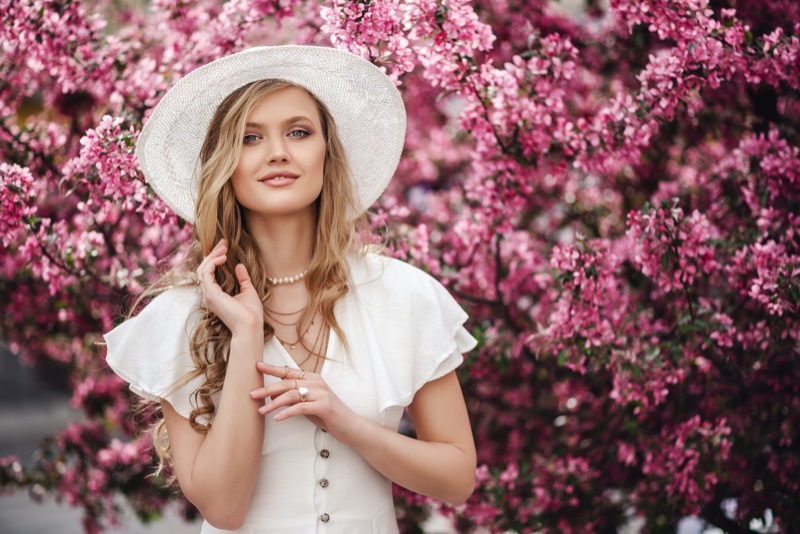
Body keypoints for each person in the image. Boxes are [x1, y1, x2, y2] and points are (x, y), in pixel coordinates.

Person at [104, 45, 477, 534]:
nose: (278, 151)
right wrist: (244, 335)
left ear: (327, 151)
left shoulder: (403, 294)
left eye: (298, 132)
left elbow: (457, 479)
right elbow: (224, 508)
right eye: (250, 137)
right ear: (225, 164)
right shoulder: (179, 317)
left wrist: (350, 426)